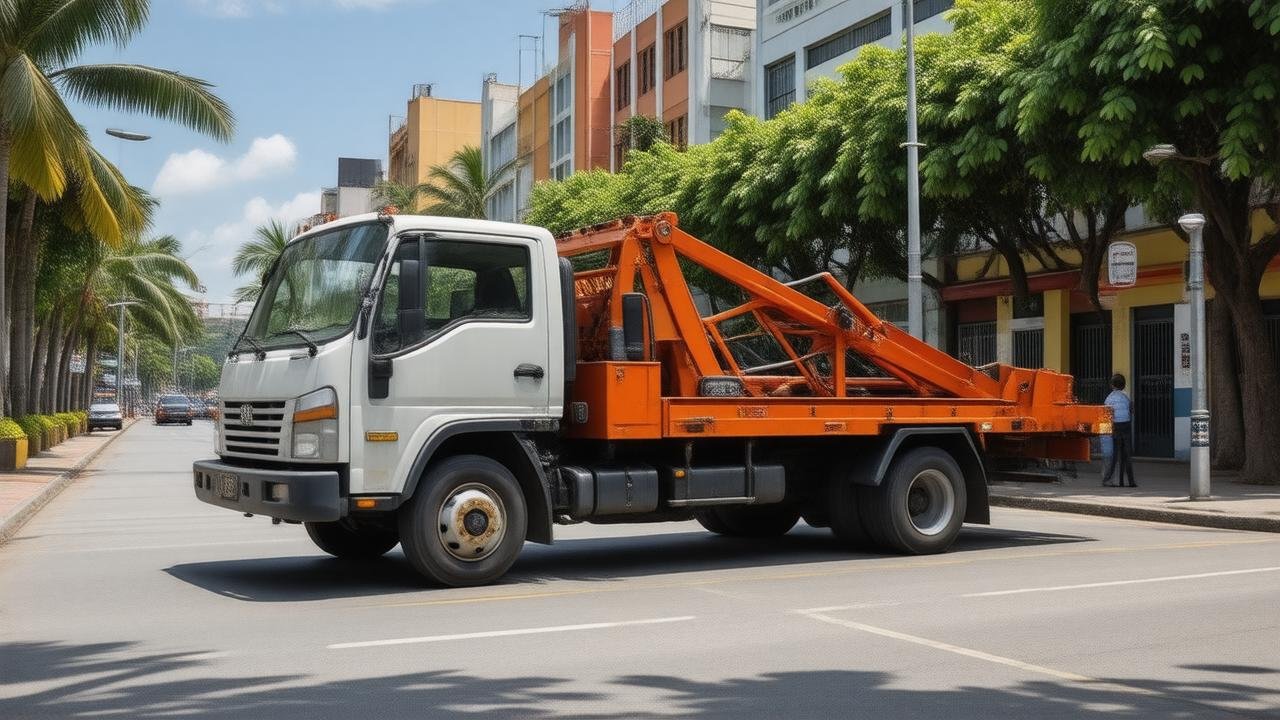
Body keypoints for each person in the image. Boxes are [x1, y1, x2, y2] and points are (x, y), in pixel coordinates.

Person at [1102, 373, 1136, 488]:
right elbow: (1132, 410)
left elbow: (1106, 415)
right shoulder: (1126, 396)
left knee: (1115, 454)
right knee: (1127, 454)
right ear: (1124, 385)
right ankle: (1131, 481)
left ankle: (1109, 479)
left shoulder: (1109, 398)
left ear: (1112, 385)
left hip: (1115, 426)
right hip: (1126, 425)